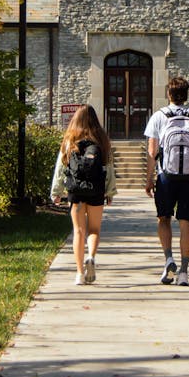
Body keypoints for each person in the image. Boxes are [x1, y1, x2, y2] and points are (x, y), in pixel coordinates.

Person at [144, 76, 189, 286]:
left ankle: (168, 259)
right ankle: (183, 271)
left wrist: (149, 179)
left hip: (166, 176)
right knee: (186, 222)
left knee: (163, 218)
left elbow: (152, 151)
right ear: (186, 95)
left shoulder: (159, 116)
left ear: (169, 95)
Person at [50, 105, 117, 285]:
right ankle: (91, 257)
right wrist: (110, 191)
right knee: (94, 230)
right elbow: (109, 168)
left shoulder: (70, 140)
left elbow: (61, 167)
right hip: (96, 190)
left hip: (76, 192)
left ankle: (79, 273)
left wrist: (56, 192)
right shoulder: (102, 141)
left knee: (78, 231)